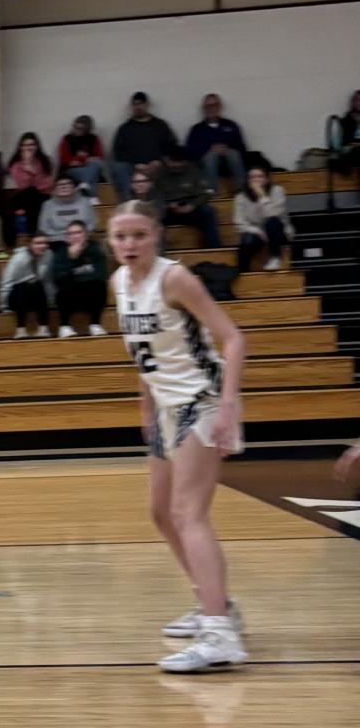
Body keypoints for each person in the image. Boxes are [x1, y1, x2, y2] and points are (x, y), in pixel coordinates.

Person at [107, 202, 250, 671]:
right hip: (167, 405)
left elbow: (233, 338)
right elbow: (145, 353)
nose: (130, 244)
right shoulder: (117, 284)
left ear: (156, 236)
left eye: (139, 235)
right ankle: (216, 603)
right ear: (110, 241)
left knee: (190, 513)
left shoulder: (175, 279)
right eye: (121, 236)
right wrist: (145, 402)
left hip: (203, 400)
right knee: (160, 512)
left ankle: (220, 634)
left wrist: (228, 405)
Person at [144, 158, 222, 248]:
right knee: (155, 215)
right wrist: (167, 205)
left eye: (178, 161)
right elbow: (155, 197)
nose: (175, 165)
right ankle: (158, 253)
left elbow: (207, 193)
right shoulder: (160, 174)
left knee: (209, 211)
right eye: (172, 161)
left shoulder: (194, 171)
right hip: (169, 212)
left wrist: (192, 205)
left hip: (192, 210)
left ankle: (214, 248)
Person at [110, 92, 178, 197]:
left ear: (147, 105)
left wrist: (159, 161)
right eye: (135, 104)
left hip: (158, 166)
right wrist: (136, 165)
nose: (138, 107)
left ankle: (166, 201)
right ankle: (130, 202)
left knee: (172, 164)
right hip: (133, 168)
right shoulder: (125, 128)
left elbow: (172, 146)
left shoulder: (160, 125)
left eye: (140, 104)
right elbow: (118, 152)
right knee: (119, 167)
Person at [52, 218, 110, 337]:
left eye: (78, 232)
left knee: (100, 285)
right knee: (63, 287)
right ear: (67, 237)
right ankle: (64, 327)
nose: (75, 236)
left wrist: (76, 276)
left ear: (86, 234)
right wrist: (72, 259)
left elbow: (101, 273)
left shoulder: (95, 249)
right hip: (70, 295)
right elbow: (58, 277)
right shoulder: (61, 252)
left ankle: (95, 325)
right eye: (71, 233)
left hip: (90, 294)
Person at [184, 94, 248, 191]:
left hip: (229, 161)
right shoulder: (196, 129)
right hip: (206, 163)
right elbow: (190, 152)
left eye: (214, 105)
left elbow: (242, 148)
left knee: (234, 154)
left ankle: (243, 191)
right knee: (211, 156)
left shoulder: (231, 125)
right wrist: (210, 150)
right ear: (204, 108)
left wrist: (227, 148)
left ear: (219, 107)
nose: (211, 108)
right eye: (208, 106)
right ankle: (212, 193)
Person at [233, 165, 289, 274]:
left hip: (278, 231)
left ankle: (275, 258)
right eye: (252, 177)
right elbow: (239, 223)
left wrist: (262, 195)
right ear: (248, 180)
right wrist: (257, 231)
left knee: (272, 223)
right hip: (257, 233)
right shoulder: (240, 197)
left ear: (267, 179)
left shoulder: (278, 191)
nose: (256, 179)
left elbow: (273, 214)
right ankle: (243, 273)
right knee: (246, 240)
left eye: (260, 176)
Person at [0, 232, 57, 338]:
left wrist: (51, 300)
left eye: (45, 243)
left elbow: (48, 280)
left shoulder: (49, 255)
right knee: (24, 285)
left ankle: (43, 328)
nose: (42, 246)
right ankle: (20, 329)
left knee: (37, 285)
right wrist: (4, 305)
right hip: (16, 296)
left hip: (37, 295)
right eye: (38, 243)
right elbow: (7, 282)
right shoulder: (18, 258)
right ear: (30, 244)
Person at [5, 133, 54, 241]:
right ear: (20, 147)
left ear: (37, 146)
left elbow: (46, 184)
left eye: (31, 144)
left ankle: (35, 235)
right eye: (25, 145)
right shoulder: (16, 165)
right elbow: (22, 186)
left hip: (43, 195)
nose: (28, 148)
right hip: (24, 195)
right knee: (29, 194)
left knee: (34, 195)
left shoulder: (45, 161)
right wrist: (27, 166)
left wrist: (32, 170)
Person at [38, 173, 96, 239]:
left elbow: (92, 225)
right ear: (54, 189)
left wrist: (77, 236)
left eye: (68, 183)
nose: (63, 187)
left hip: (82, 240)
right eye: (59, 185)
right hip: (57, 242)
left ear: (75, 187)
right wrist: (65, 237)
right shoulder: (47, 205)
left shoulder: (85, 202)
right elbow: (44, 229)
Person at [59, 115, 107, 191]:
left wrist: (78, 160)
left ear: (86, 129)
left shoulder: (93, 139)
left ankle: (85, 185)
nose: (76, 130)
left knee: (97, 165)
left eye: (80, 129)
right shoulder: (67, 139)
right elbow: (65, 160)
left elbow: (99, 157)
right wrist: (85, 160)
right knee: (92, 175)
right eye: (75, 127)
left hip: (91, 168)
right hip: (72, 170)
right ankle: (91, 195)